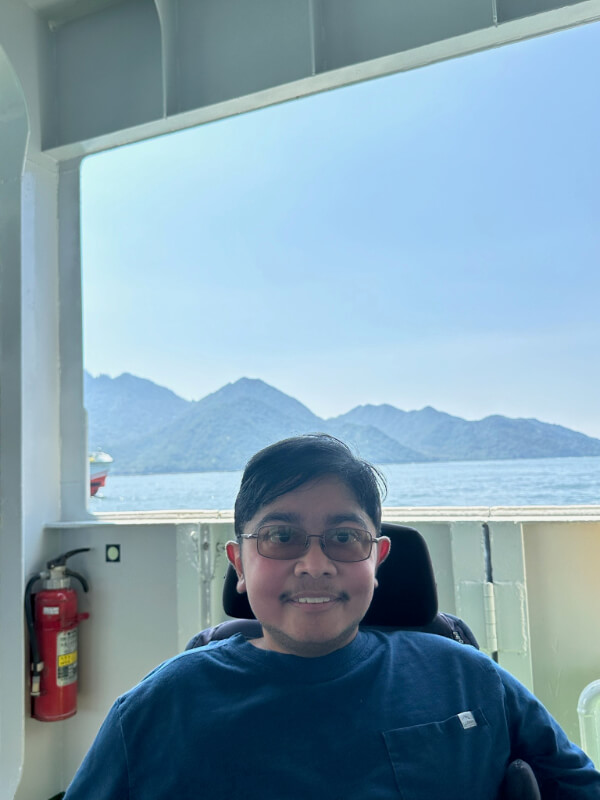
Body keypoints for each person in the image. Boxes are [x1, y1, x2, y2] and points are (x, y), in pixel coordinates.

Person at [64, 434, 600, 799]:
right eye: (280, 537)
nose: (314, 566)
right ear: (239, 564)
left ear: (377, 558)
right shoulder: (156, 712)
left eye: (345, 538)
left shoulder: (470, 677)